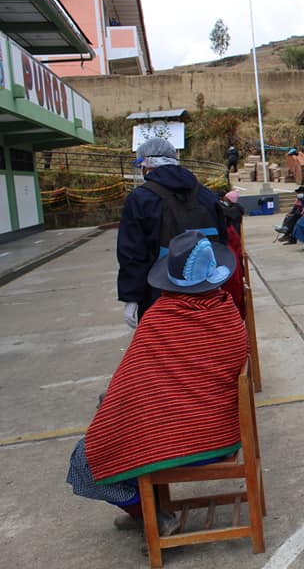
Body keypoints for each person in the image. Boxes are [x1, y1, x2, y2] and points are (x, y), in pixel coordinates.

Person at [67, 230, 248, 535]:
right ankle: (146, 504)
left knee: (88, 459)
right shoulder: (226, 311)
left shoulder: (161, 318)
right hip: (223, 430)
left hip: (192, 438)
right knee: (115, 419)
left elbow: (135, 379)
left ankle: (147, 513)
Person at [117, 137, 226, 328]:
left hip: (159, 295)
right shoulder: (206, 195)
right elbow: (222, 242)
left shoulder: (141, 198)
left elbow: (132, 253)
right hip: (207, 291)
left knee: (168, 350)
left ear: (146, 165)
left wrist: (131, 297)